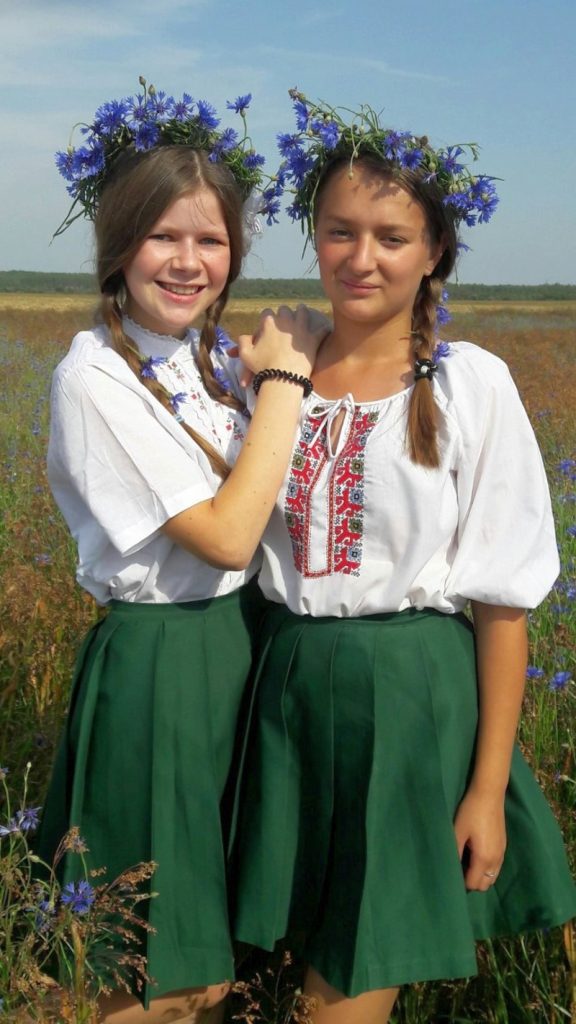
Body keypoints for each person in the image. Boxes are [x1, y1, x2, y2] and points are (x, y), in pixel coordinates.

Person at [231, 91, 576, 1024]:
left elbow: (503, 604)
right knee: (263, 954)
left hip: (409, 701)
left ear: (434, 254)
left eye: (391, 236)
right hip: (282, 688)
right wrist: (273, 372)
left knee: (348, 980)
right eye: (339, 232)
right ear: (314, 240)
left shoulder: (471, 385)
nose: (362, 257)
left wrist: (488, 789)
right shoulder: (273, 371)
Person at [36, 83, 324, 1024]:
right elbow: (228, 534)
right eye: (164, 235)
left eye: (212, 239)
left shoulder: (207, 360)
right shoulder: (94, 376)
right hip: (162, 663)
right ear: (119, 243)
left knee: (218, 951)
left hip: (241, 646)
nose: (189, 262)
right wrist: (285, 380)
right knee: (156, 965)